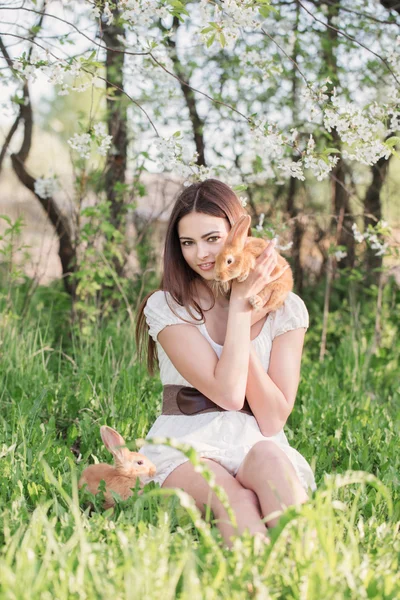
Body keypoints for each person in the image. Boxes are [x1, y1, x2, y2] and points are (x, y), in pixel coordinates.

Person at [135, 179, 316, 547]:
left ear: (237, 235)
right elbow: (230, 394)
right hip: (185, 444)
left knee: (272, 462)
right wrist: (239, 310)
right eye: (188, 243)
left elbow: (272, 418)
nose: (200, 253)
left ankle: (307, 574)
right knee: (235, 498)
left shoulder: (287, 310)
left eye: (212, 239)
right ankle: (251, 583)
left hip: (254, 439)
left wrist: (246, 302)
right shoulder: (167, 307)